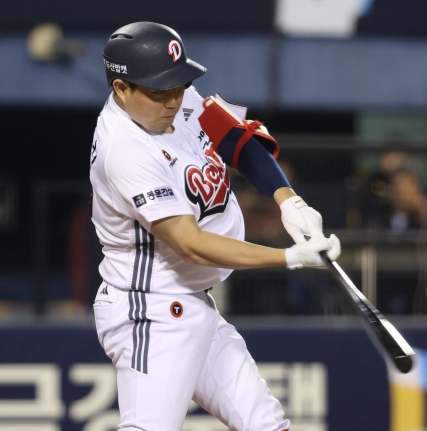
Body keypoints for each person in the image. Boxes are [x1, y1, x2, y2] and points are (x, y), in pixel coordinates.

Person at [89, 22, 340, 431]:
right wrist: (289, 256)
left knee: (267, 425)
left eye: (179, 84)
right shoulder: (125, 150)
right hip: (151, 309)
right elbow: (190, 243)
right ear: (121, 87)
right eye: (160, 90)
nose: (174, 99)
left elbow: (236, 139)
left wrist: (289, 200)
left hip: (193, 302)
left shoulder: (175, 97)